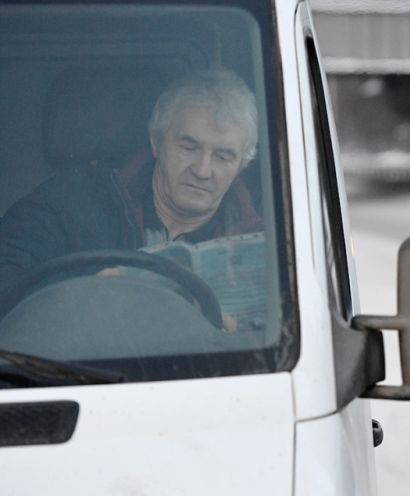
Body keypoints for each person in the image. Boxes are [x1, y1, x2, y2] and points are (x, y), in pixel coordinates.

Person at [0, 68, 262, 319]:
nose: (203, 170)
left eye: (223, 156)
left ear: (241, 165)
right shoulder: (69, 202)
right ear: (156, 142)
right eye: (189, 147)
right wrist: (85, 289)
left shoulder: (268, 241)